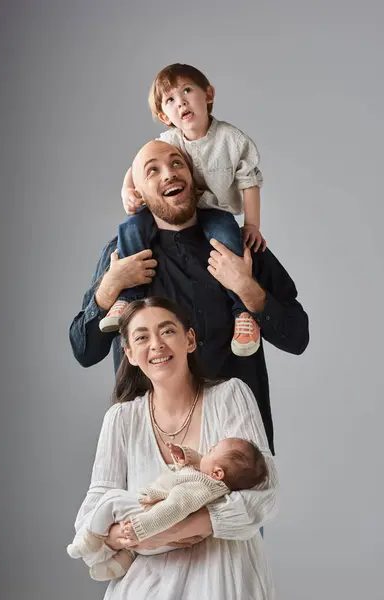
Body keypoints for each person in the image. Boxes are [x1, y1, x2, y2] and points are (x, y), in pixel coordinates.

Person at [69, 139, 310, 454]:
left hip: (235, 447)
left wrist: (247, 288)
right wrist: (110, 286)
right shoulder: (121, 255)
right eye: (153, 170)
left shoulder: (240, 247)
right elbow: (84, 350)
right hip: (151, 448)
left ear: (195, 179)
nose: (168, 174)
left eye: (176, 163)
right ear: (138, 194)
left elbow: (297, 337)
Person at [70, 297, 279, 599]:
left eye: (167, 331)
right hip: (146, 586)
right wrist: (119, 538)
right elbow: (94, 508)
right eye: (142, 337)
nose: (156, 344)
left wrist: (173, 530)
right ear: (128, 352)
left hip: (225, 580)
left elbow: (265, 493)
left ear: (189, 340)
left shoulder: (231, 395)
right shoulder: (121, 418)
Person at [99, 63, 264, 357]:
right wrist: (127, 190)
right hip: (159, 230)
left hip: (214, 211)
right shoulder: (169, 141)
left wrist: (251, 226)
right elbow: (135, 168)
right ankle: (128, 297)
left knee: (228, 241)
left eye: (187, 91)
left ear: (208, 94)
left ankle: (243, 314)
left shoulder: (232, 140)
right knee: (132, 225)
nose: (182, 102)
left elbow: (249, 181)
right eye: (171, 100)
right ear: (165, 116)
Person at [67, 435, 268, 581]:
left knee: (111, 500)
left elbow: (174, 507)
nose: (208, 449)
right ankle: (120, 562)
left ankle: (90, 538)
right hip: (164, 542)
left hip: (153, 518)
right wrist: (187, 457)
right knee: (136, 549)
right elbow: (197, 469)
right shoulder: (212, 485)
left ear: (217, 473)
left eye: (212, 450)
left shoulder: (200, 487)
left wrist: (141, 528)